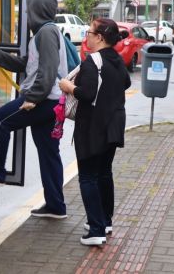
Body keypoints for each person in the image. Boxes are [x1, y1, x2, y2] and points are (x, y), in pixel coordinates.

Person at [0, 0, 68, 219]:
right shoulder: (45, 33)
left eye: (28, 10)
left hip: (43, 100)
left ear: (38, 10)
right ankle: (56, 206)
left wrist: (33, 98)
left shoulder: (46, 32)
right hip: (51, 101)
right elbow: (26, 65)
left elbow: (48, 70)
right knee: (49, 154)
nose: (26, 14)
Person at [59, 18, 131, 246]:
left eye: (89, 31)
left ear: (99, 37)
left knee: (88, 177)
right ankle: (105, 221)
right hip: (113, 125)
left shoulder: (93, 61)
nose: (86, 35)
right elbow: (126, 83)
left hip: (93, 128)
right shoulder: (116, 59)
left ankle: (96, 230)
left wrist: (69, 87)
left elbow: (87, 94)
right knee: (104, 173)